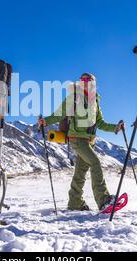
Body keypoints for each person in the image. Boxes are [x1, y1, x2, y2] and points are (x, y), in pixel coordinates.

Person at [38, 73, 124, 211]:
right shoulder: (74, 97)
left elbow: (100, 123)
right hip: (77, 139)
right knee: (95, 162)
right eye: (82, 80)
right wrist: (46, 121)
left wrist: (115, 127)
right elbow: (60, 113)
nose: (84, 82)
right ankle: (104, 200)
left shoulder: (95, 100)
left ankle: (75, 203)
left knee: (80, 173)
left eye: (88, 80)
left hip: (90, 141)